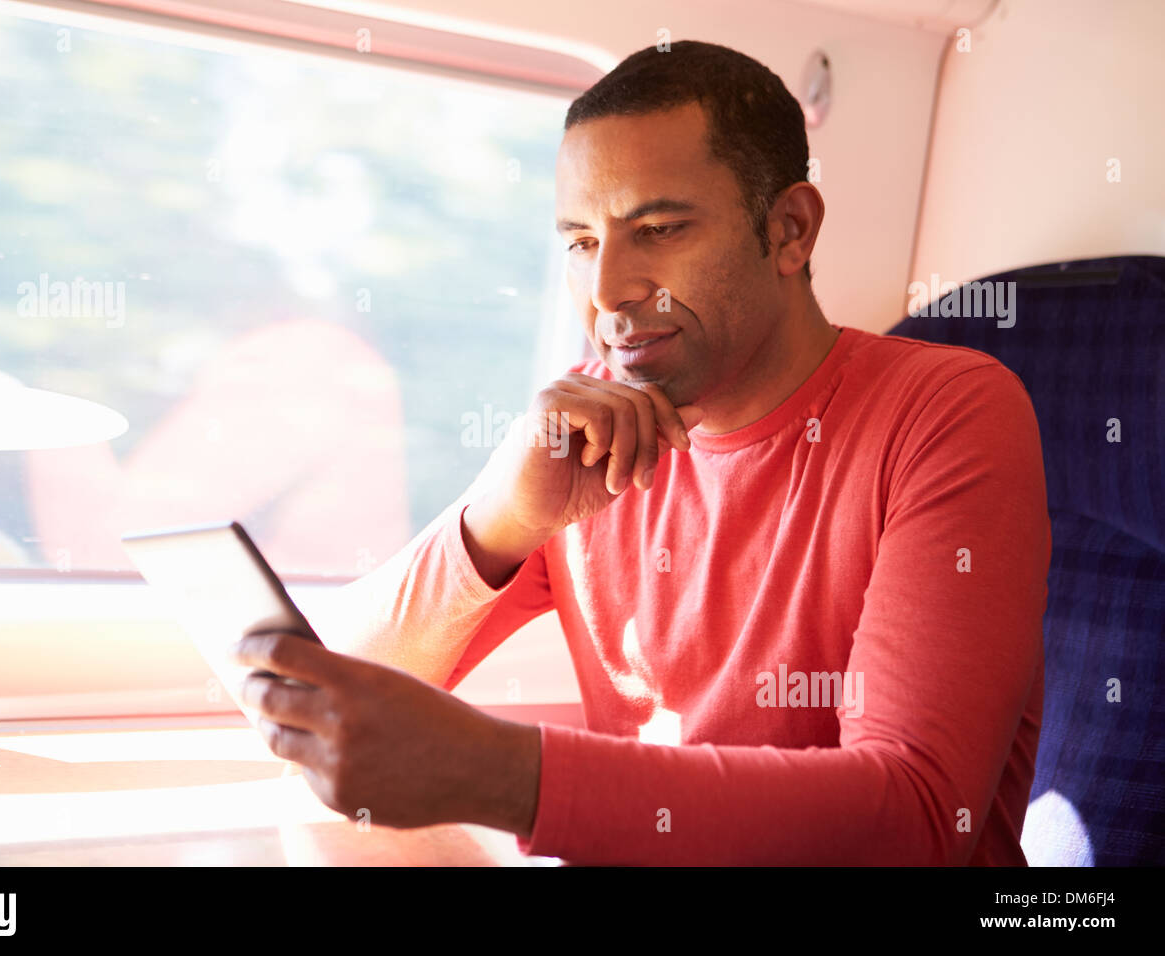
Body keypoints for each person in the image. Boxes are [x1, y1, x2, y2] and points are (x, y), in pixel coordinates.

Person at [228, 40, 1051, 865]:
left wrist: (504, 774)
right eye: (583, 242)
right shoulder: (596, 421)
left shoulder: (949, 411)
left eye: (656, 229)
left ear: (790, 230)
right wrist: (500, 522)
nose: (609, 290)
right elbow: (325, 693)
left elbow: (914, 817)